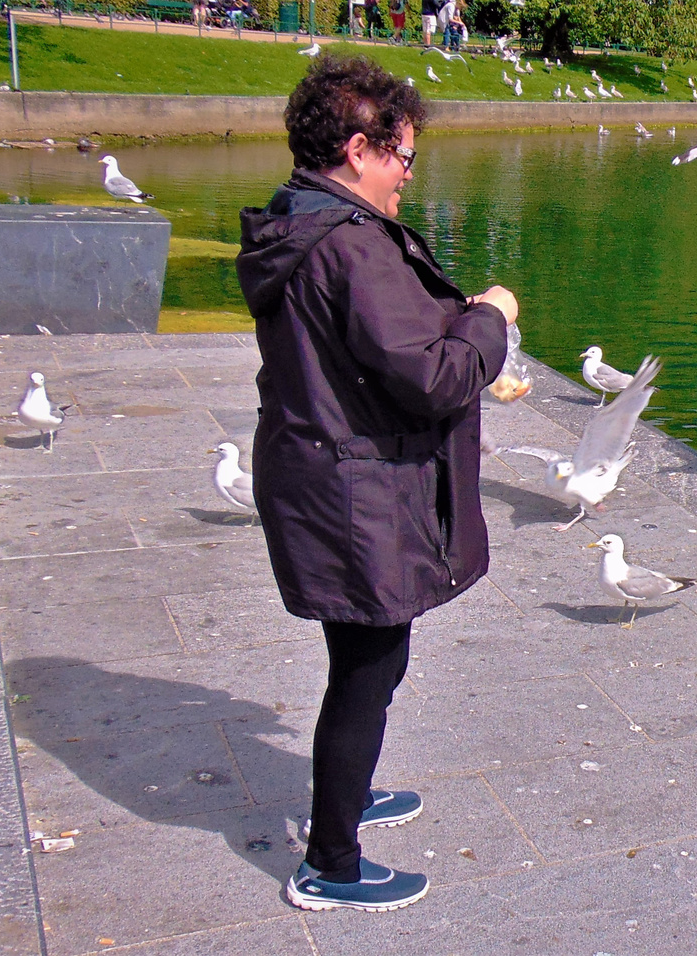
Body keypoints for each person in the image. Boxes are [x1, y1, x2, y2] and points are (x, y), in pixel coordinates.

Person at [235, 54, 516, 913]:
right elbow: (432, 377)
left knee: (364, 658)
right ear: (359, 150)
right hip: (351, 490)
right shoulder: (350, 244)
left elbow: (374, 344)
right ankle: (330, 863)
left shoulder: (299, 220)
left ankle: (346, 796)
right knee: (369, 664)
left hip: (322, 473)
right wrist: (490, 320)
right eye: (403, 157)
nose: (407, 175)